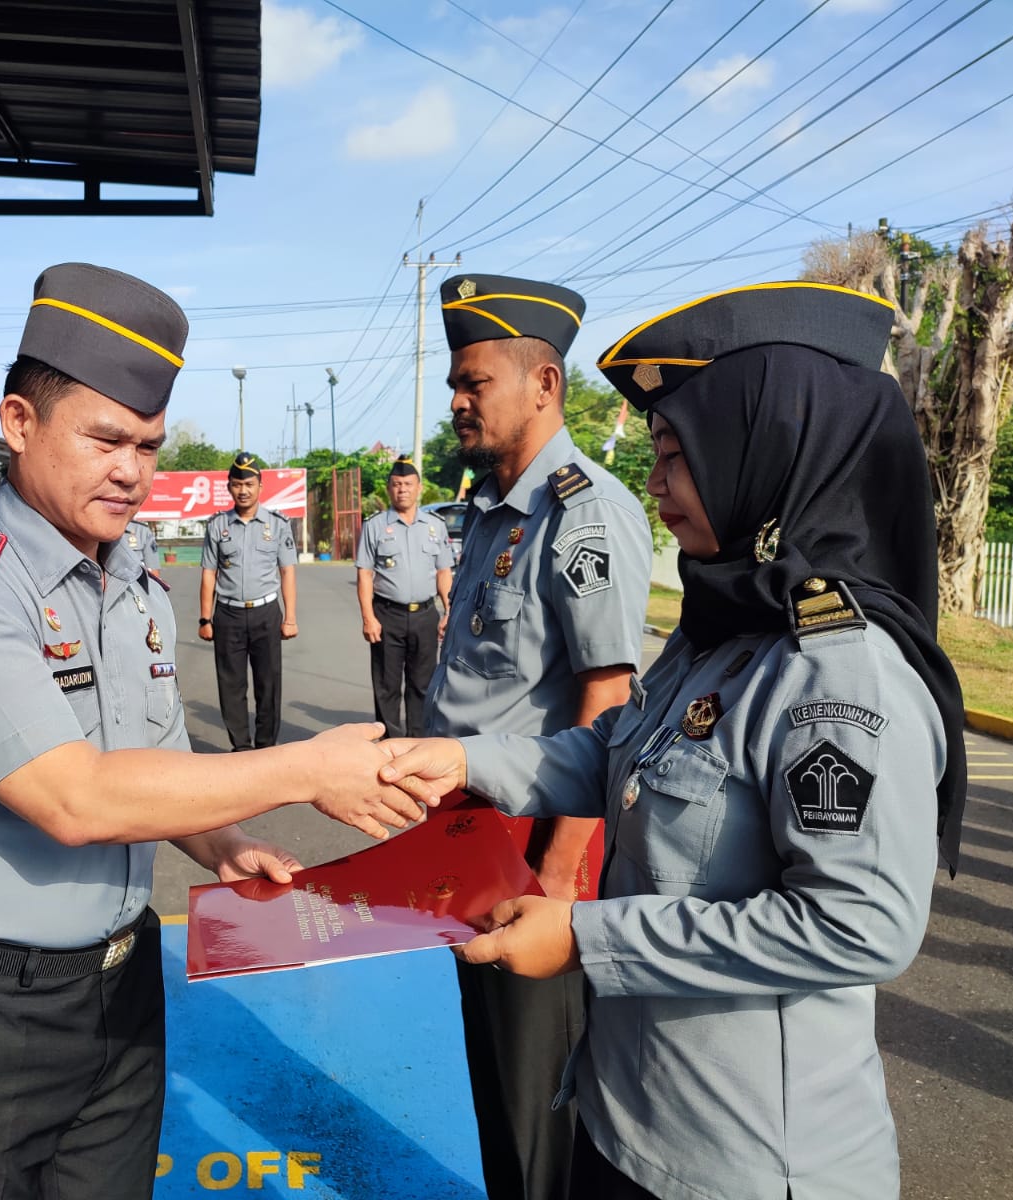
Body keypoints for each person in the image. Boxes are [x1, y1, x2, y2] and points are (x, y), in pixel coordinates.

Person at [380, 281, 966, 1200]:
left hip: (736, 1164)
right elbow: (618, 746)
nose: (654, 486)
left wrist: (585, 934)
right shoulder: (725, 620)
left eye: (675, 454)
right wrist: (463, 761)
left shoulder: (839, 668)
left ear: (760, 452)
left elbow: (861, 925)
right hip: (626, 1118)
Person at [0, 263, 426, 1200]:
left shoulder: (137, 586)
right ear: (18, 423)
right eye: (106, 439)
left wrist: (225, 844)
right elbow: (76, 797)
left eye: (150, 446)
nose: (132, 469)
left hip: (123, 998)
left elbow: (159, 767)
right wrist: (305, 770)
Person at [427, 273, 654, 1200]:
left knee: (539, 1113)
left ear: (544, 383)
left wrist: (558, 877)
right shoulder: (493, 509)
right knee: (492, 1083)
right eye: (456, 382)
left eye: (474, 381)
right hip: (472, 840)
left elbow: (610, 692)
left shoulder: (582, 512)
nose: (456, 400)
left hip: (536, 850)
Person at [198, 453, 298, 750]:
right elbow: (208, 574)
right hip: (227, 614)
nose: (243, 490)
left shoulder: (278, 524)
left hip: (266, 612)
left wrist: (289, 617)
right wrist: (205, 618)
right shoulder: (217, 525)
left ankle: (265, 747)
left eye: (249, 484)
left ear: (260, 486)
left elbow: (287, 571)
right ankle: (240, 748)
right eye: (237, 484)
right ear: (229, 487)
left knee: (269, 684)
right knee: (231, 685)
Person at [356, 454, 454, 737]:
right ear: (389, 488)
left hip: (425, 615)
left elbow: (443, 572)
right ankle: (390, 744)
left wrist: (448, 611)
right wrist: (368, 618)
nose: (403, 489)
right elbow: (364, 574)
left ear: (419, 487)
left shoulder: (435, 526)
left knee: (422, 684)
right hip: (387, 615)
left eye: (408, 484)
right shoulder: (374, 526)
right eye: (397, 484)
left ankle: (417, 742)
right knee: (386, 685)